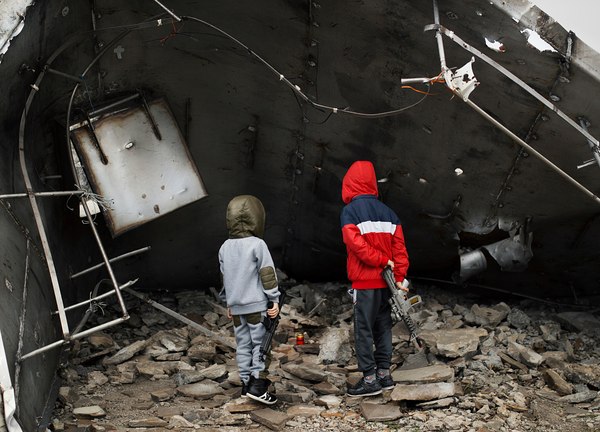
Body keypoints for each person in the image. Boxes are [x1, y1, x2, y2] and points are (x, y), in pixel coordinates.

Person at [340, 160, 410, 397]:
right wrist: (399, 278)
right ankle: (384, 374)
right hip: (387, 284)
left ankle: (369, 379)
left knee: (364, 330)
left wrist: (380, 260)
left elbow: (355, 244)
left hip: (365, 283)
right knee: (383, 328)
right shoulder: (389, 213)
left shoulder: (350, 212)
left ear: (350, 183)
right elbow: (400, 250)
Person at [218, 194, 281, 405]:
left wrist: (228, 302)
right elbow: (267, 273)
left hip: (236, 308)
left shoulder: (225, 246)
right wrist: (274, 299)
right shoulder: (257, 244)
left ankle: (246, 384)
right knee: (261, 345)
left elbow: (225, 277)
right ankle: (258, 385)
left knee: (243, 345)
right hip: (256, 306)